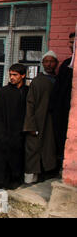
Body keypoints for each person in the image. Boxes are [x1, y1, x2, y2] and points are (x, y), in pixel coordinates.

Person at [0, 64, 29, 192]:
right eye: (10, 74)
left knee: (15, 165)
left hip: (19, 136)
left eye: (15, 75)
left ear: (23, 75)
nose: (12, 77)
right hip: (3, 137)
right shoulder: (4, 92)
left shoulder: (27, 91)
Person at [23, 51, 58, 184]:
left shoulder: (58, 80)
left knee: (49, 150)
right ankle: (30, 181)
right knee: (33, 150)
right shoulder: (38, 81)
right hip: (37, 123)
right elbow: (30, 104)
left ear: (56, 63)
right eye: (46, 61)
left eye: (52, 61)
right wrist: (30, 125)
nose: (49, 64)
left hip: (51, 123)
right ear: (42, 63)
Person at [51, 32, 75, 169]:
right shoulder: (66, 64)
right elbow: (58, 90)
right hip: (62, 111)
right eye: (70, 42)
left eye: (74, 42)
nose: (71, 45)